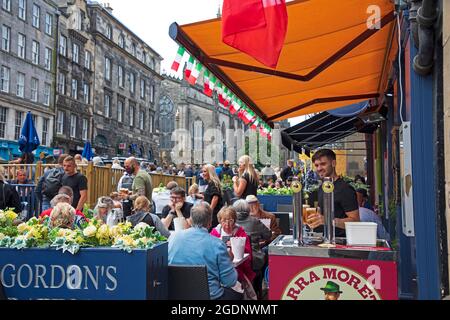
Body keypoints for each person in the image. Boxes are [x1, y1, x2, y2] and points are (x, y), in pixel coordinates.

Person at [168, 202, 242, 300]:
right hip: (211, 296)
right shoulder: (217, 244)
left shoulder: (172, 238)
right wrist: (229, 261)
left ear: (190, 220)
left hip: (177, 295)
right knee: (239, 293)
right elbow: (229, 281)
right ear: (210, 223)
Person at [306, 149, 360, 238]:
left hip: (343, 242)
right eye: (316, 165)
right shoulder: (322, 187)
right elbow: (321, 214)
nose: (319, 168)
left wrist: (329, 220)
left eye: (323, 164)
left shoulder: (345, 189)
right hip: (325, 240)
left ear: (333, 163)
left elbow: (355, 221)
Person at [233, 199, 271, 298]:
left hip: (235, 260)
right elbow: (268, 235)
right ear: (248, 209)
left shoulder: (231, 222)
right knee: (266, 252)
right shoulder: (255, 221)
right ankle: (263, 284)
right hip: (254, 260)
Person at [210, 206, 255, 283]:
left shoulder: (240, 232)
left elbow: (247, 254)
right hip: (219, 265)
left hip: (238, 266)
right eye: (224, 221)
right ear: (220, 221)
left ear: (234, 221)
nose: (227, 224)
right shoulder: (215, 232)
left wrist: (236, 245)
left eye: (230, 220)